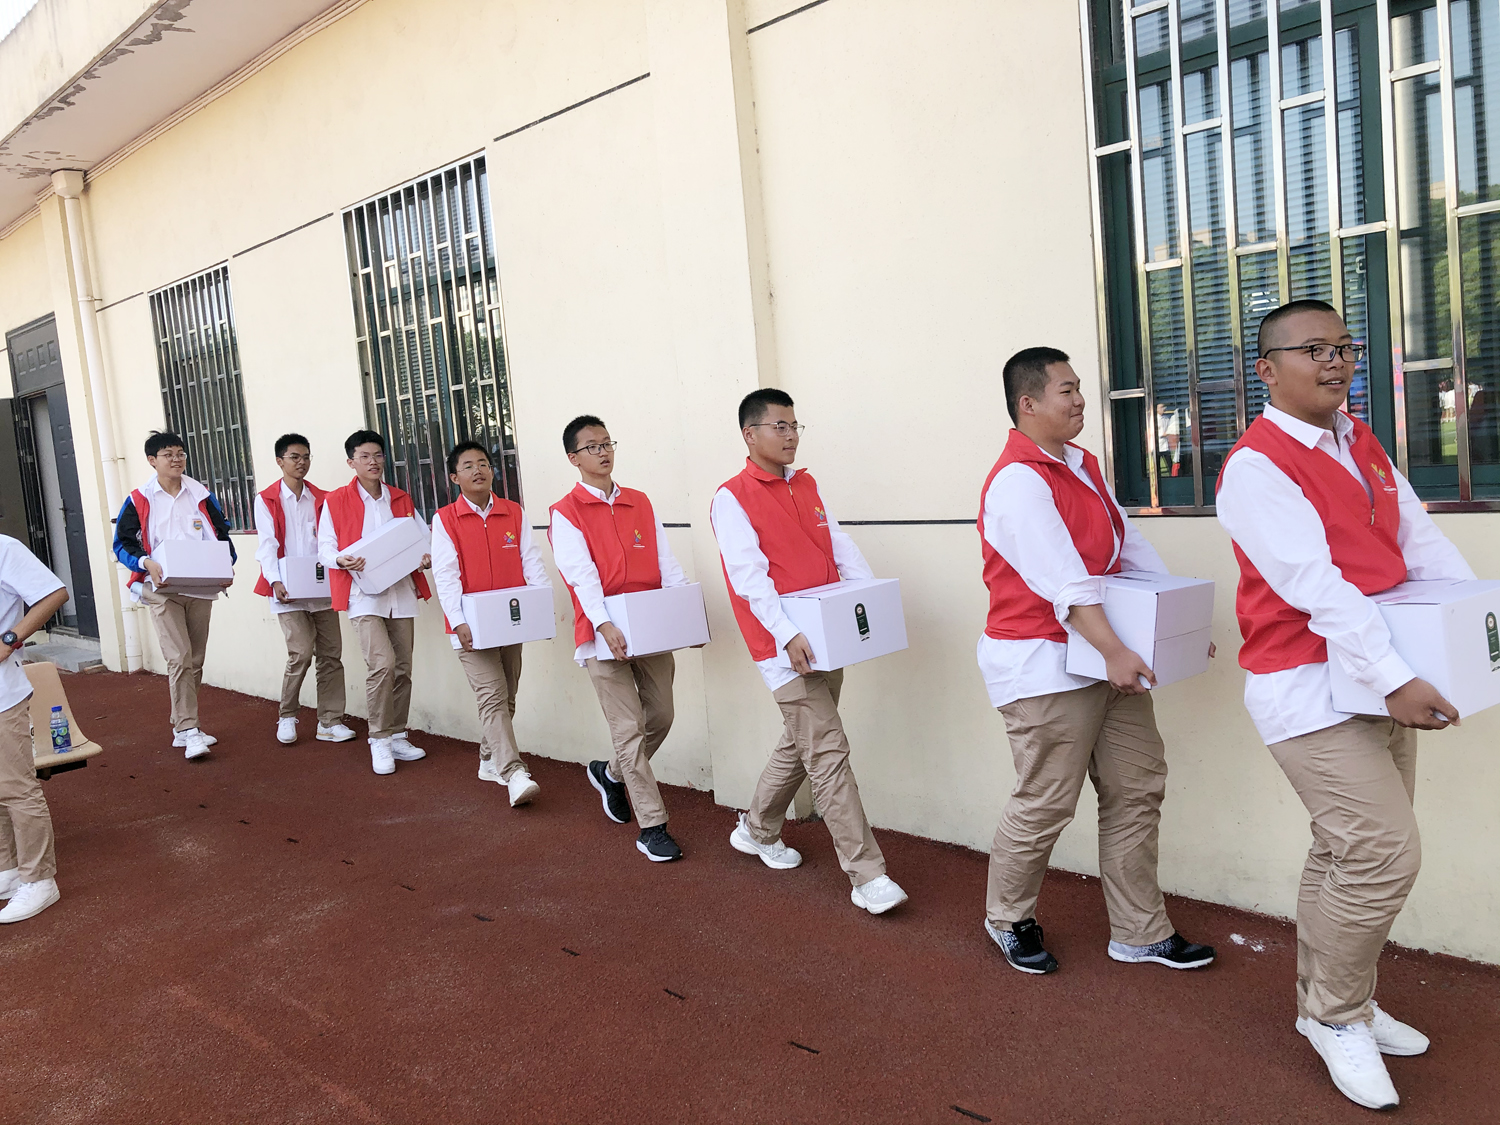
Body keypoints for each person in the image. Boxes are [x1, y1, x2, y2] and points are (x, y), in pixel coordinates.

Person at [1216, 300, 1472, 1112]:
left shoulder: (1357, 439)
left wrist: (1471, 626)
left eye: (1344, 346)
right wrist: (1396, 676)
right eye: (1314, 349)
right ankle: (1334, 1014)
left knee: (1342, 850)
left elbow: (1419, 541)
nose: (1335, 360)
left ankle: (1334, 1000)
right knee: (1383, 853)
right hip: (1308, 686)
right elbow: (1317, 587)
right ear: (1267, 370)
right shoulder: (1256, 467)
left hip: (1374, 674)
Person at [977, 347, 1215, 975]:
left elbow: (1128, 548)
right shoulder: (1019, 481)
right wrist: (1116, 650)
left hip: (1106, 656)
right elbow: (1066, 582)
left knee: (1137, 788)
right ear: (1029, 404)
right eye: (1067, 390)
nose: (1080, 399)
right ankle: (1007, 917)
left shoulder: (1081, 465)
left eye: (1079, 387)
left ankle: (1140, 932)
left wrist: (1176, 628)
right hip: (1046, 663)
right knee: (1047, 800)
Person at [710, 388, 907, 915]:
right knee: (827, 751)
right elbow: (749, 578)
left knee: (803, 742)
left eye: (795, 425)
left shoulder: (806, 484)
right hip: (783, 647)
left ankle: (756, 828)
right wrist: (783, 633)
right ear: (750, 434)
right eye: (779, 426)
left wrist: (864, 597)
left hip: (826, 634)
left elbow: (838, 544)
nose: (790, 434)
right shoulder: (731, 497)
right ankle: (867, 875)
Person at [549, 416, 690, 862]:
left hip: (649, 625)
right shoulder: (566, 512)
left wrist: (686, 617)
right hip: (602, 633)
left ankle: (610, 773)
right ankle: (653, 827)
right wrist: (603, 623)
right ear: (574, 458)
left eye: (607, 443)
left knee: (661, 716)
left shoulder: (639, 502)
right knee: (628, 729)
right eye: (592, 446)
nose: (603, 451)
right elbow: (581, 576)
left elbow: (666, 561)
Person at [431, 441, 549, 807]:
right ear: (455, 478)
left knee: (507, 695)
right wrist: (458, 620)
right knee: (493, 696)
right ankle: (513, 772)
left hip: (510, 621)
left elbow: (532, 562)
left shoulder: (513, 512)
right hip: (470, 626)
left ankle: (488, 757)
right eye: (468, 466)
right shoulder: (445, 519)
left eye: (483, 463)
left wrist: (539, 608)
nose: (478, 470)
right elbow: (446, 575)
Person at [112, 432, 236, 760]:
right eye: (168, 454)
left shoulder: (201, 495)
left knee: (195, 658)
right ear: (152, 460)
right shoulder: (140, 498)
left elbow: (222, 533)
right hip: (161, 589)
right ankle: (188, 728)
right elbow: (122, 543)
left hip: (201, 586)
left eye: (180, 453)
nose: (177, 459)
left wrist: (226, 566)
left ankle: (183, 726)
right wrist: (145, 563)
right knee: (179, 656)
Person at [318, 430, 432, 776]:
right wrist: (341, 560)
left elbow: (423, 538)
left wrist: (426, 556)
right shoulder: (336, 501)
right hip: (363, 594)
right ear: (351, 462)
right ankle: (379, 738)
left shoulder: (400, 498)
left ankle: (397, 734)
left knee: (403, 668)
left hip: (401, 591)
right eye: (365, 456)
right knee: (382, 664)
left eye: (378, 455)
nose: (373, 462)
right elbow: (325, 548)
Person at [253, 433, 355, 746]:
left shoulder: (323, 498)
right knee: (300, 653)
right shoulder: (267, 499)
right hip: (286, 588)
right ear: (279, 461)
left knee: (331, 654)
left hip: (321, 588)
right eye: (294, 457)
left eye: (306, 457)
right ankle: (287, 715)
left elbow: (332, 540)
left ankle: (330, 721)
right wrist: (274, 580)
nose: (302, 463)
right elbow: (267, 545)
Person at [0, 537, 69, 923]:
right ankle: (8, 870)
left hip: (2, 692)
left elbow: (53, 593)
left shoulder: (4, 549)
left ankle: (40, 879)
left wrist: (9, 640)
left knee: (16, 788)